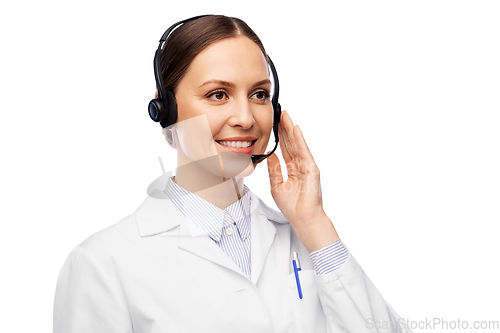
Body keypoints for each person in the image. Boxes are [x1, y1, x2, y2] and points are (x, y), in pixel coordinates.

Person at [53, 15, 412, 333]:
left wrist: (315, 224)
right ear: (166, 110)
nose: (245, 117)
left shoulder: (307, 239)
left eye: (259, 94)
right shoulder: (103, 263)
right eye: (218, 94)